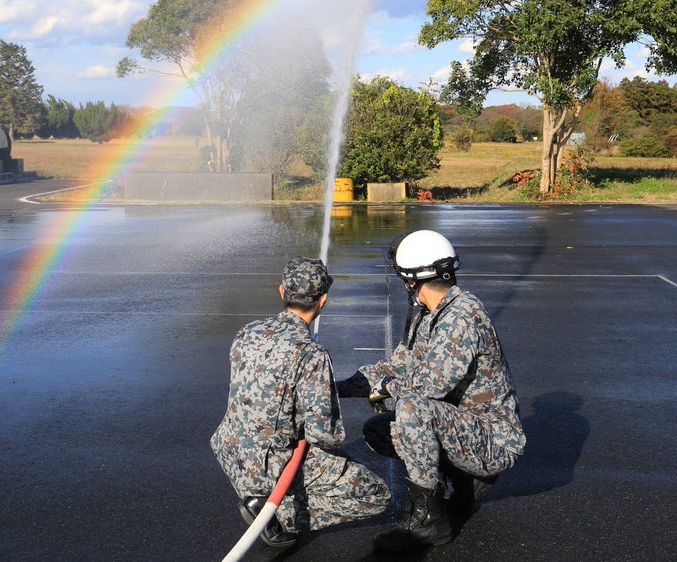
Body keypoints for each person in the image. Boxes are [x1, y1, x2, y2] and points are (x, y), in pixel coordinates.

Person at [337, 230, 526, 551]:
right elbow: (395, 367)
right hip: (464, 425)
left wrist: (387, 388)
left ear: (411, 280)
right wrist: (332, 388)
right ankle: (463, 484)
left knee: (413, 411)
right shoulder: (430, 316)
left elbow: (428, 388)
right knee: (381, 431)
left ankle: (431, 523)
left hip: (494, 441)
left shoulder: (461, 317)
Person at [210, 257, 390, 548]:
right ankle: (277, 515)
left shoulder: (247, 332)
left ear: (282, 292)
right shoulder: (312, 354)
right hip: (269, 466)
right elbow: (326, 436)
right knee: (376, 495)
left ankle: (269, 500)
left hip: (231, 453)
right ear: (324, 301)